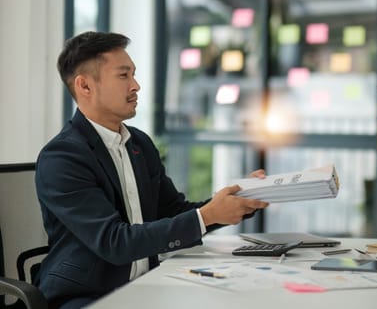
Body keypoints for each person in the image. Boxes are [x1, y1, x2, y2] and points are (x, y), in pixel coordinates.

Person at [34, 31, 269, 309]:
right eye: (123, 76)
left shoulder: (139, 143)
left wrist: (236, 200)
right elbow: (114, 242)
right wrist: (206, 216)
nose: (136, 85)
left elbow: (173, 211)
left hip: (147, 284)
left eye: (133, 74)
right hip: (86, 296)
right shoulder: (62, 157)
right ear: (85, 86)